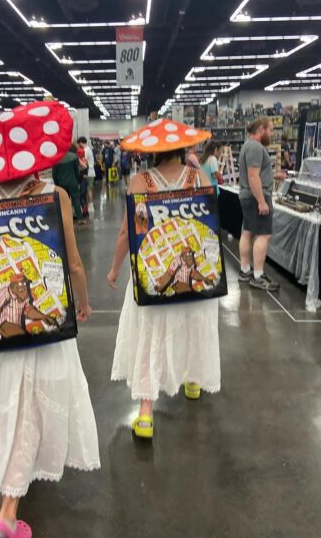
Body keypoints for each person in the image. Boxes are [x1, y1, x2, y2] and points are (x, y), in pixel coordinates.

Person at [0, 101, 100, 537]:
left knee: (12, 399)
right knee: (34, 399)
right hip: (44, 325)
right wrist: (82, 302)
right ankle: (7, 513)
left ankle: (16, 480)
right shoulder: (54, 196)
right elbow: (73, 264)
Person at [107, 145, 220, 440]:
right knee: (193, 326)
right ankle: (193, 382)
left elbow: (127, 233)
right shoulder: (199, 178)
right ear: (181, 150)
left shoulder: (139, 182)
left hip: (154, 275)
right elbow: (210, 223)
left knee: (150, 338)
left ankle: (146, 414)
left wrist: (114, 268)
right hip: (194, 279)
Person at [238, 116, 285, 291]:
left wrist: (272, 176)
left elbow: (255, 173)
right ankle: (258, 276)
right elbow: (252, 176)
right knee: (264, 235)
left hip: (247, 195)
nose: (271, 134)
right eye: (270, 130)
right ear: (261, 129)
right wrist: (261, 201)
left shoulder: (248, 145)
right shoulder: (256, 147)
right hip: (256, 196)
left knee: (247, 232)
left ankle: (245, 271)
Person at [52, 145, 86, 224]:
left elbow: (54, 174)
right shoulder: (73, 156)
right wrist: (77, 181)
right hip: (73, 182)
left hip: (61, 183)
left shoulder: (56, 158)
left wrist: (57, 184)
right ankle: (80, 218)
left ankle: (66, 219)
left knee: (64, 202)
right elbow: (77, 171)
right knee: (76, 200)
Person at [77, 137, 96, 213]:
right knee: (88, 189)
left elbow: (83, 162)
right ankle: (90, 205)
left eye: (78, 144)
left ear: (81, 143)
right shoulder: (88, 149)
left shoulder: (85, 150)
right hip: (90, 172)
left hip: (88, 172)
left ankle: (91, 205)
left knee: (88, 189)